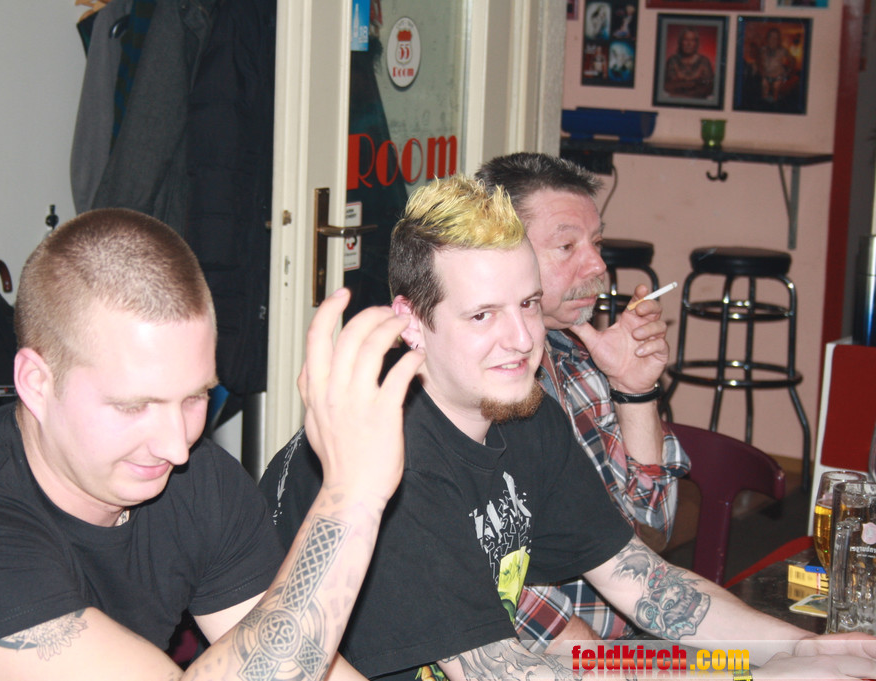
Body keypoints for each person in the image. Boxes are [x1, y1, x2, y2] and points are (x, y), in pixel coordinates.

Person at [261, 175, 876, 681]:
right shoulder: (393, 454)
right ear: (412, 323)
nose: (521, 339)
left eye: (529, 304)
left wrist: (800, 649)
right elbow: (497, 671)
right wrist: (753, 678)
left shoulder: (524, 415)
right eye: (483, 315)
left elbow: (643, 582)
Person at [0, 207, 425, 681]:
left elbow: (299, 657)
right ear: (36, 382)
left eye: (196, 397)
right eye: (133, 406)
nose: (176, 446)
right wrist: (352, 496)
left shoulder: (197, 483)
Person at [475, 152, 689, 648]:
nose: (597, 265)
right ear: (501, 255)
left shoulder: (580, 360)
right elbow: (497, 590)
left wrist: (634, 390)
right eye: (567, 245)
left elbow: (652, 533)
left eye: (597, 243)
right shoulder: (473, 388)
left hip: (624, 644)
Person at [662, 28, 715, 99]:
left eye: (692, 40)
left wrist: (682, 84)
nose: (689, 44)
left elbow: (709, 87)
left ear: (696, 43)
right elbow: (668, 86)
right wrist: (695, 84)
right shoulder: (672, 61)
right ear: (680, 42)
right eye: (685, 40)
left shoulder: (704, 61)